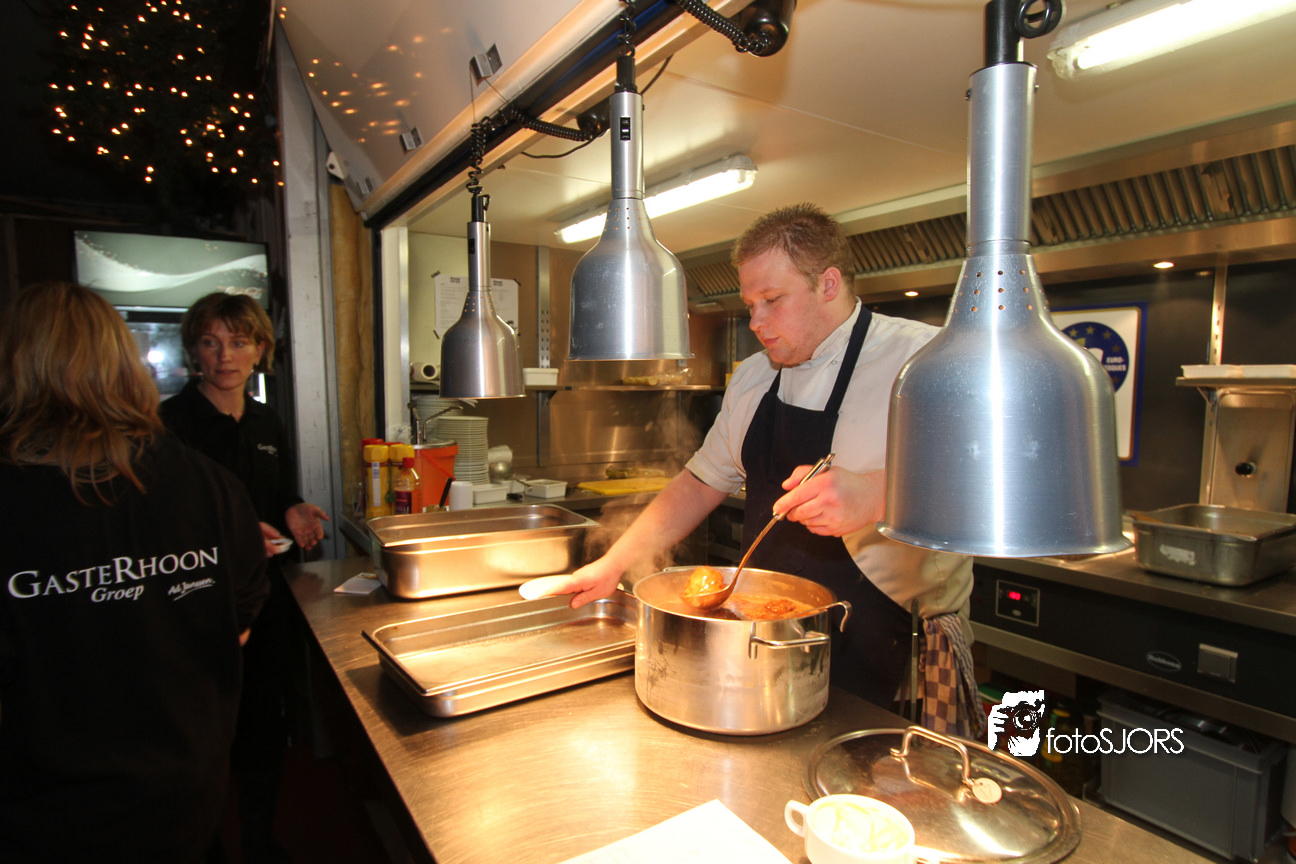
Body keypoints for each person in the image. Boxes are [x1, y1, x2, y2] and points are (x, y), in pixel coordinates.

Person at [531, 203, 983, 736]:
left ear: (829, 284)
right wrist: (613, 564)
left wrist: (877, 495)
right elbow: (698, 484)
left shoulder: (923, 360)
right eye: (750, 305)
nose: (757, 323)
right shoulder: (753, 377)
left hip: (890, 645)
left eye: (772, 300)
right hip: (762, 638)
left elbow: (987, 480)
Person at [0, 282, 269, 863]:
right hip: (186, 786)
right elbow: (239, 622)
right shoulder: (207, 483)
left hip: (50, 807)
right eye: (210, 341)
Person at [160, 291, 328, 863]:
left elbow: (278, 497)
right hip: (199, 603)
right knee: (203, 732)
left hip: (267, 597)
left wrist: (294, 511)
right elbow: (161, 524)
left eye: (238, 342)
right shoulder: (168, 425)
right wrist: (228, 537)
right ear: (194, 351)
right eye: (211, 343)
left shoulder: (267, 421)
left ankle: (258, 839)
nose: (224, 356)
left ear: (259, 349)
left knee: (263, 722)